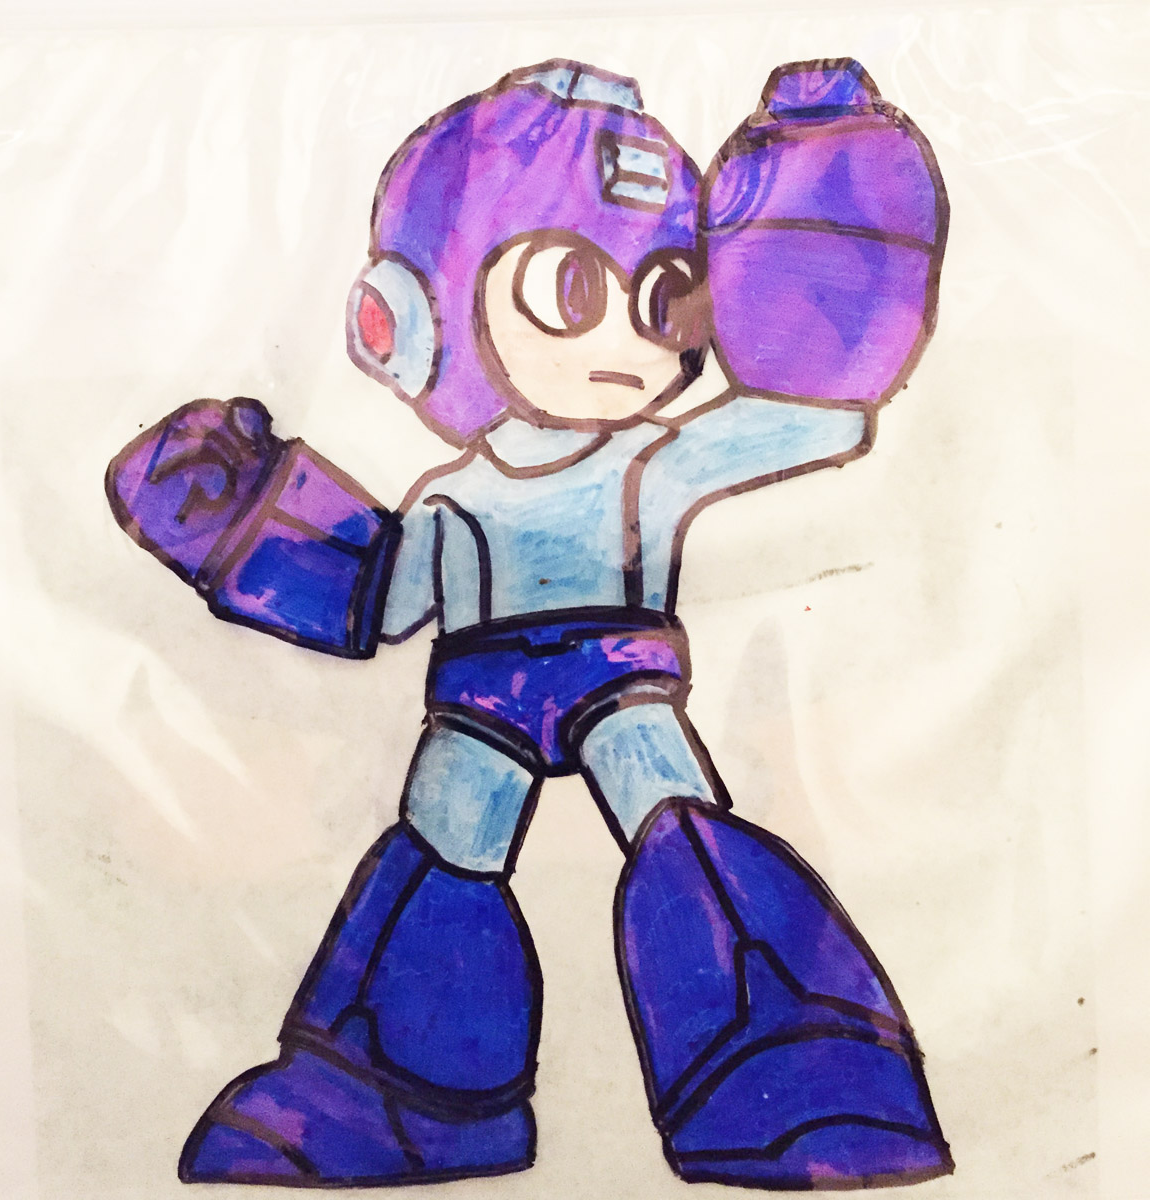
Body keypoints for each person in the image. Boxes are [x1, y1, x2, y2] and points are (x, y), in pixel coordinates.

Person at [107, 58, 951, 1190]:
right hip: (480, 696)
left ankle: (805, 1074)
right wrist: (250, 528)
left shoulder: (652, 458)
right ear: (406, 322)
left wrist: (832, 230)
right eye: (574, 289)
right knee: (443, 854)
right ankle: (402, 1097)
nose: (639, 343)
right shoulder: (456, 495)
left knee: (682, 836)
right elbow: (379, 597)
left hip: (614, 677)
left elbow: (810, 416)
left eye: (667, 295)